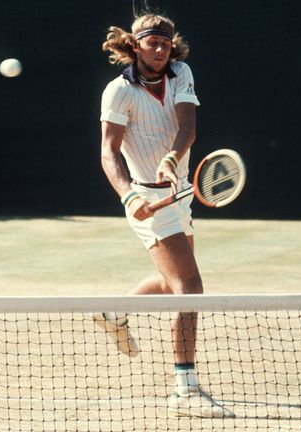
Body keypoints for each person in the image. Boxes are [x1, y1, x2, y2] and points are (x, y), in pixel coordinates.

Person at [96, 14, 234, 418]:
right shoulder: (118, 91)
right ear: (135, 45)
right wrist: (127, 196)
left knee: (172, 279)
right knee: (190, 285)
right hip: (145, 199)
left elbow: (188, 122)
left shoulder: (181, 74)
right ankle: (185, 387)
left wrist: (172, 159)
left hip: (178, 195)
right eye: (152, 42)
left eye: (166, 43)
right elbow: (108, 153)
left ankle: (114, 312)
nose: (160, 50)